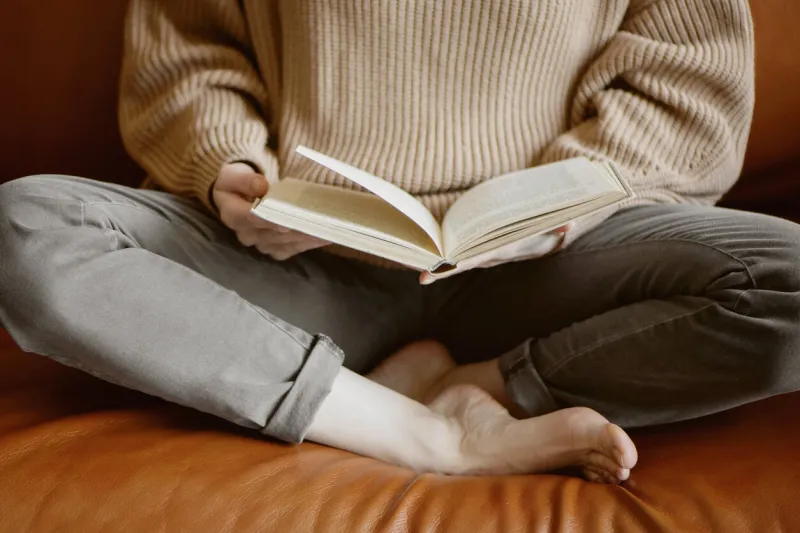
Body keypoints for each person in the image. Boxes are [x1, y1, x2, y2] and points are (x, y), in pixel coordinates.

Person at [1, 0, 798, 485]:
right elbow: (189, 55)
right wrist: (231, 170)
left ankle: (481, 386)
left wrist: (557, 203)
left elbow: (689, 88)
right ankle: (423, 428)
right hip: (296, 260)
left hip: (550, 263)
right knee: (24, 226)